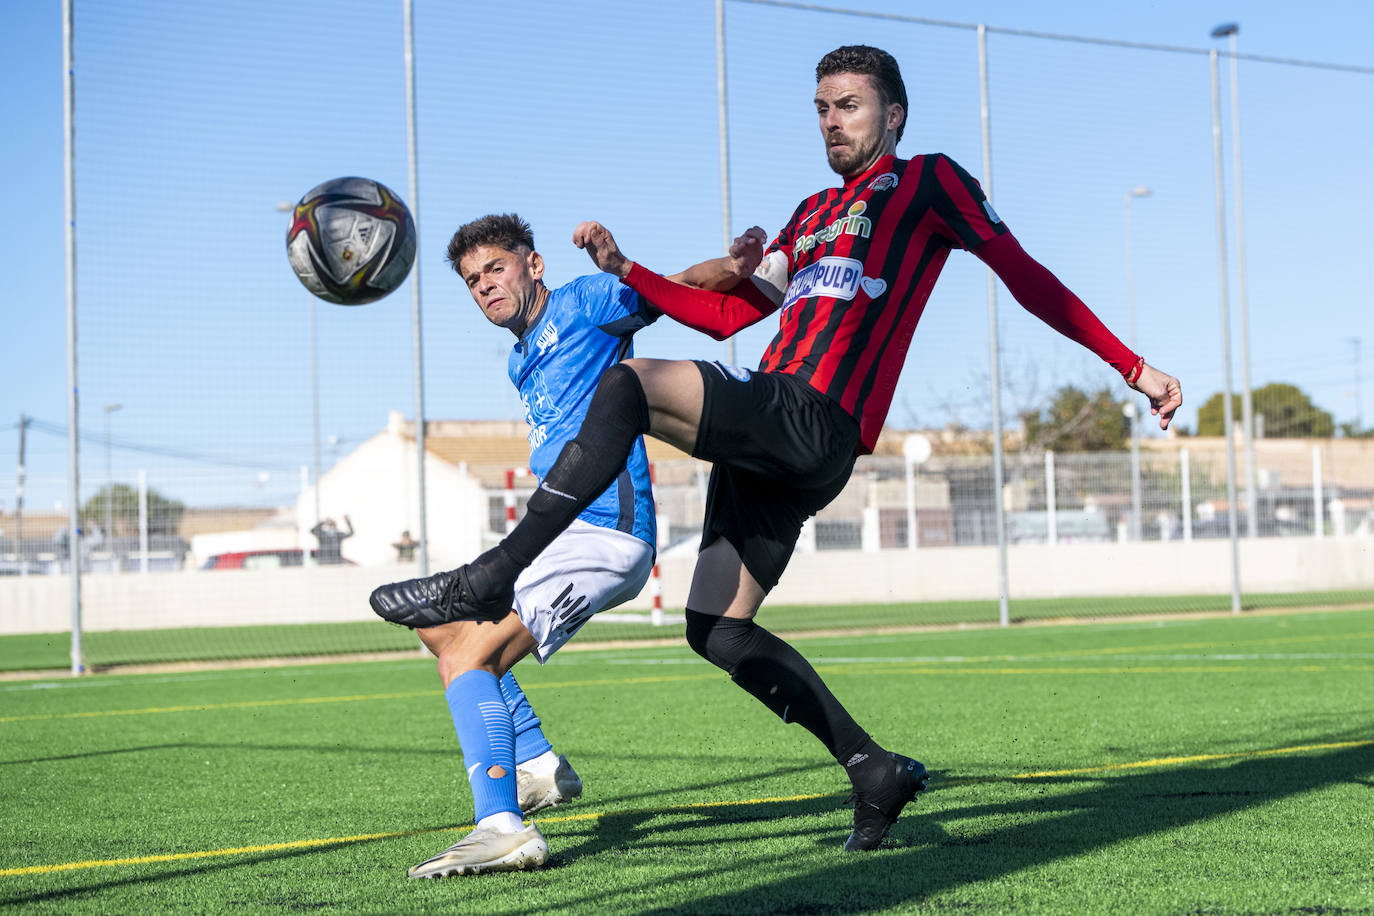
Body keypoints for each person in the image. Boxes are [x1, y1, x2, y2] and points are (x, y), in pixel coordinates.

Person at [372, 46, 1184, 853]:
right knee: (717, 628)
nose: (833, 120)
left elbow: (1025, 274)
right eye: (823, 108)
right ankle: (873, 769)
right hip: (771, 439)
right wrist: (629, 269)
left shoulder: (929, 182)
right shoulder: (809, 215)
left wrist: (1133, 367)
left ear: (893, 115)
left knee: (623, 384)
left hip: (815, 414)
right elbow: (725, 318)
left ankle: (486, 575)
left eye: (850, 106)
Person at [372, 212, 692, 878]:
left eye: (495, 268)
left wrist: (754, 270)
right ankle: (538, 765)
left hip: (606, 533)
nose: (485, 285)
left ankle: (503, 828)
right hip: (556, 535)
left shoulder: (584, 303)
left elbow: (679, 288)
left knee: (470, 653)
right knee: (440, 628)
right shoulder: (521, 357)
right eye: (471, 280)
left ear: (534, 265)